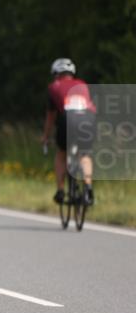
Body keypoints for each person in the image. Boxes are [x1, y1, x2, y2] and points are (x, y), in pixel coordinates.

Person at [41, 58, 96, 206]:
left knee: (61, 153)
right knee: (84, 154)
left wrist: (46, 136)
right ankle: (88, 188)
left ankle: (60, 190)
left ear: (56, 74)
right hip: (88, 119)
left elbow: (51, 117)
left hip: (68, 119)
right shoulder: (82, 84)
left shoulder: (54, 87)